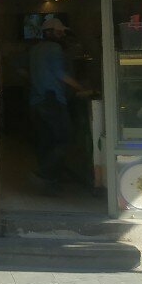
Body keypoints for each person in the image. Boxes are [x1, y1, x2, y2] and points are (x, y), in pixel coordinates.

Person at [28, 17, 89, 194]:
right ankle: (44, 174)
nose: (62, 35)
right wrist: (81, 87)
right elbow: (60, 73)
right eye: (59, 32)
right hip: (52, 100)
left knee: (46, 141)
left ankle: (50, 180)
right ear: (50, 32)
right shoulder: (54, 49)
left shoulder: (35, 49)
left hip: (36, 101)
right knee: (65, 139)